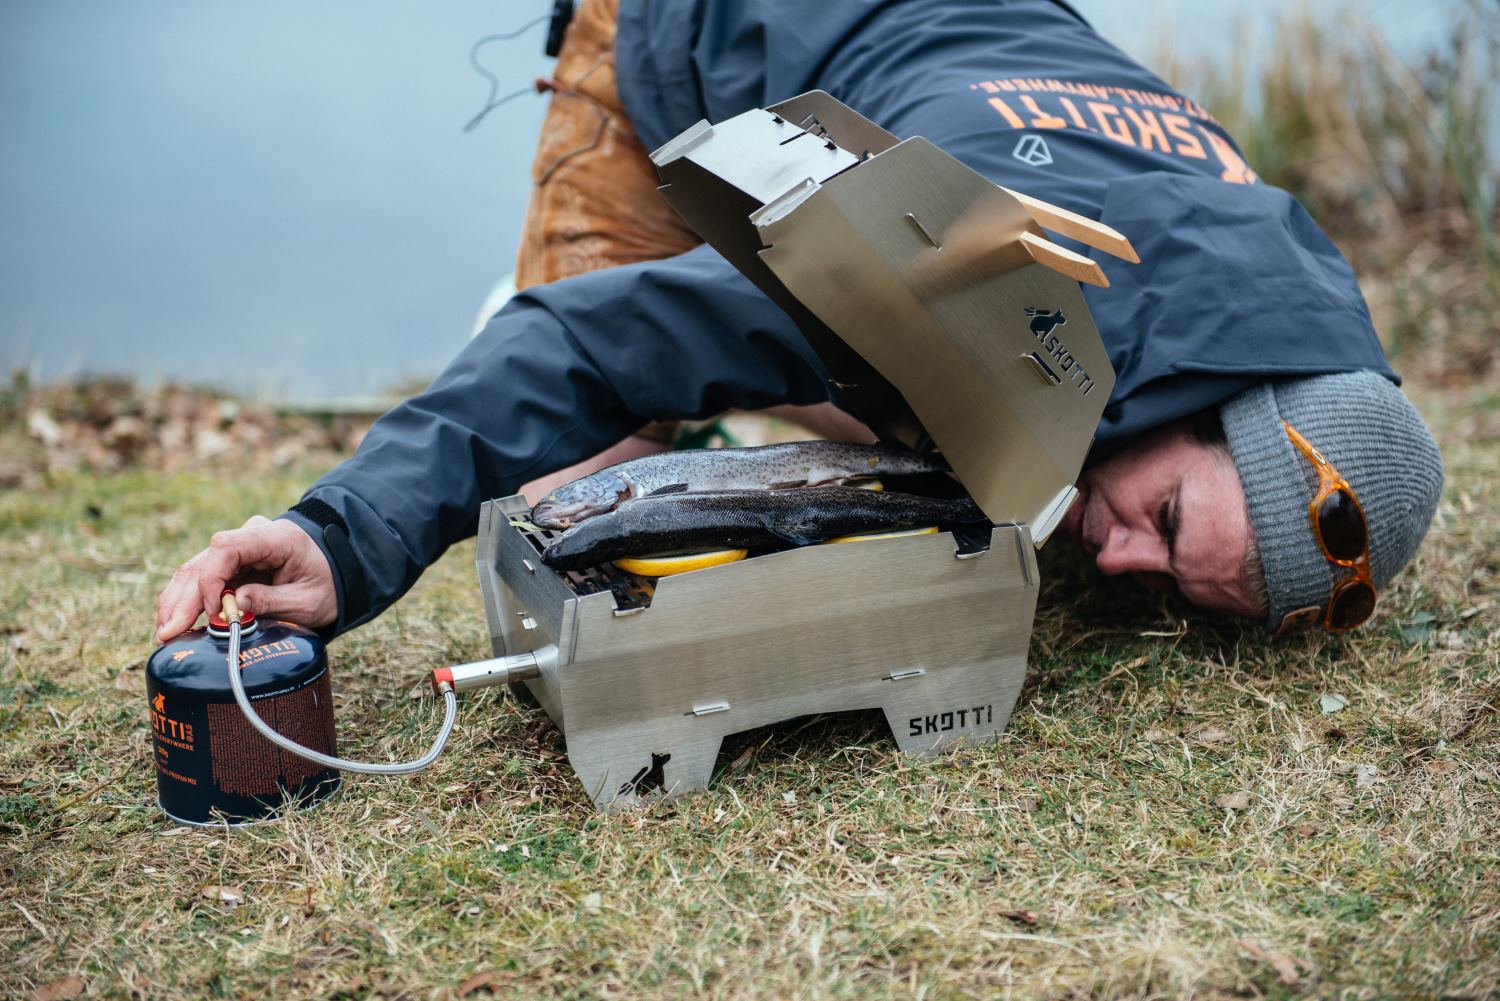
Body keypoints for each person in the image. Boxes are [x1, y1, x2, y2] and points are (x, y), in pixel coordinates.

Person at [155, 0, 1443, 645]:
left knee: (950, 443)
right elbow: (582, 346)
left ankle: (752, 363)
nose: (1115, 570)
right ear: (1218, 408)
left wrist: (1175, 534)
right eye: (1161, 528)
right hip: (687, 27)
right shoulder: (965, 277)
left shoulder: (1299, 304)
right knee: (580, 469)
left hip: (937, 51)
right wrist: (340, 534)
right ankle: (655, 355)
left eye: (1169, 592)